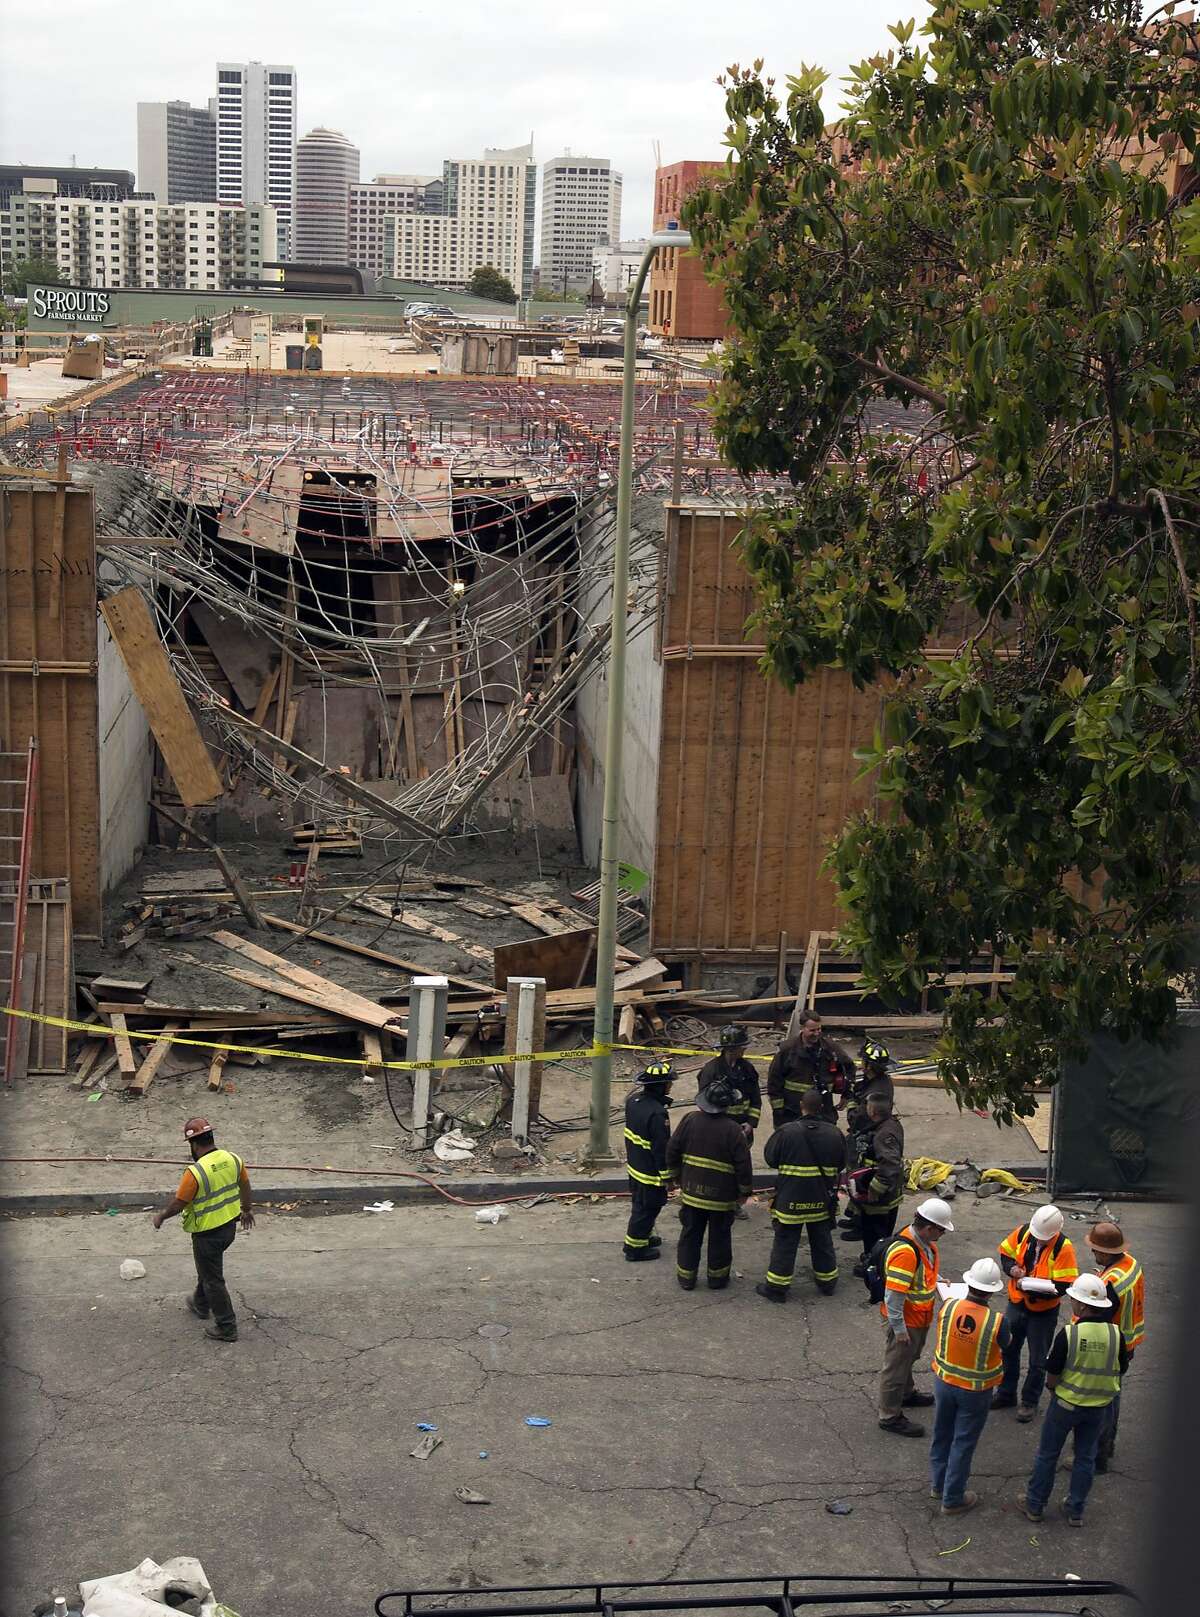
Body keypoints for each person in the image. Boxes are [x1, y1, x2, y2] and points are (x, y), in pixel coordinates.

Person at [1020, 1272, 1128, 1527]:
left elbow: (1053, 1372)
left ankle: (1035, 1505)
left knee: (1048, 1455)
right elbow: (1121, 1368)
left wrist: (1053, 1389)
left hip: (1065, 1404)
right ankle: (1075, 1510)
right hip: (1098, 1408)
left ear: (1081, 1304)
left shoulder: (1069, 1334)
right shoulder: (1116, 1335)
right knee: (1085, 1458)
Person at [152, 1116, 254, 1343]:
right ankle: (200, 1303)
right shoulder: (233, 1159)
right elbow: (245, 1185)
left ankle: (227, 1327)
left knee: (213, 1279)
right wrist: (246, 1209)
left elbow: (180, 1203)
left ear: (193, 1145)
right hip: (229, 1228)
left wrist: (161, 1216)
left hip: (207, 1234)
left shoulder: (195, 1172)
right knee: (208, 1270)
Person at [928, 1257, 1012, 1516]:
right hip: (975, 1390)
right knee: (963, 1442)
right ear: (992, 1290)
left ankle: (938, 1485)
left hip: (944, 1382)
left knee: (942, 1435)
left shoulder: (949, 1306)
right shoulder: (997, 1321)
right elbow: (1006, 1344)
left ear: (969, 1283)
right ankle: (953, 1498)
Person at [756, 1088, 846, 1303]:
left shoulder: (786, 1132)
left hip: (790, 1199)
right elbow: (842, 1163)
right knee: (822, 1241)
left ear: (801, 1106)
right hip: (821, 1199)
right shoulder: (835, 1133)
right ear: (822, 1108)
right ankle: (827, 1283)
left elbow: (770, 1159)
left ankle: (776, 1289)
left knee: (785, 1242)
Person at [665, 1080, 753, 1292]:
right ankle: (717, 1279)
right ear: (727, 1105)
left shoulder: (689, 1120)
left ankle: (686, 1278)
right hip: (721, 1198)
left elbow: (672, 1149)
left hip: (692, 1193)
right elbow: (743, 1165)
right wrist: (744, 1192)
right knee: (720, 1237)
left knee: (690, 1235)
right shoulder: (733, 1131)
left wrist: (673, 1177)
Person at [993, 1204, 1079, 1423]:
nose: (1039, 1240)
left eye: (1044, 1238)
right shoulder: (1024, 1232)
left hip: (1043, 1312)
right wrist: (1012, 1269)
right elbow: (1005, 1254)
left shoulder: (1063, 1248)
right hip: (1016, 1303)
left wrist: (1031, 1287)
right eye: (1037, 1236)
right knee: (1009, 1349)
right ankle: (1006, 1393)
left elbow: (1063, 1286)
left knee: (1038, 1361)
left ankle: (1029, 1402)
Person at [877, 1197, 954, 1437]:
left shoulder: (923, 1243)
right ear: (929, 1227)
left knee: (908, 1359)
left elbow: (921, 1272)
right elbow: (894, 1297)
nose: (943, 1234)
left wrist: (937, 1279)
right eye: (941, 1229)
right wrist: (899, 1330)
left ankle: (907, 1394)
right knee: (895, 1368)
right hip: (906, 1321)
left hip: (917, 1318)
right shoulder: (906, 1252)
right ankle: (889, 1416)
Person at [1087, 1219, 1145, 1472]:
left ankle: (1098, 1456)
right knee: (1113, 1396)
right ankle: (1106, 1446)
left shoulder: (1110, 1283)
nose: (1092, 1253)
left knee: (1104, 1401)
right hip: (1128, 1342)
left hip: (1111, 1347)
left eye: (1095, 1249)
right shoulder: (1130, 1264)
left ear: (1106, 1251)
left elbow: (1096, 1316)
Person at [696, 1026, 762, 1219]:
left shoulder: (747, 1069)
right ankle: (713, 1202)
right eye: (742, 1046)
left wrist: (750, 1123)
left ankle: (734, 1203)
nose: (745, 1050)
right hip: (719, 1129)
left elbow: (756, 1099)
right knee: (717, 1167)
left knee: (738, 1167)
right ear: (731, 1049)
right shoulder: (711, 1070)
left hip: (742, 1129)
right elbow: (704, 1102)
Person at [622, 1062, 676, 1262]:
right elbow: (661, 1150)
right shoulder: (658, 1114)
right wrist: (668, 1178)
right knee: (646, 1210)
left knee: (640, 1204)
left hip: (635, 1166)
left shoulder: (633, 1100)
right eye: (669, 1083)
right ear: (662, 1085)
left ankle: (642, 1238)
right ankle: (634, 1248)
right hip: (650, 1174)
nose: (671, 1086)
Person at [846, 1092, 905, 1275]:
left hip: (880, 1196)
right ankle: (873, 1258)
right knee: (878, 1231)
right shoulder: (889, 1125)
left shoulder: (884, 1133)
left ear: (873, 1110)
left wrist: (874, 1189)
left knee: (875, 1232)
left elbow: (889, 1164)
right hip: (889, 1192)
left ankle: (874, 1266)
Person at [767, 1014, 854, 1127]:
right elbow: (774, 1078)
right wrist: (778, 1109)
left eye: (819, 1029)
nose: (817, 1033)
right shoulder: (787, 1049)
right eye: (812, 1030)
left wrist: (846, 1094)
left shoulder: (830, 1048)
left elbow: (849, 1067)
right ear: (802, 1028)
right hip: (792, 1110)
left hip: (823, 1108)